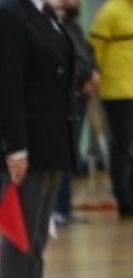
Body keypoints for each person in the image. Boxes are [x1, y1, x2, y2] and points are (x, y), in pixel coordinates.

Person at [0, 0, 73, 278]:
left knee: (36, 236)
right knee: (19, 234)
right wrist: (16, 147)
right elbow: (5, 85)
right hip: (28, 145)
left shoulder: (44, 15)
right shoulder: (7, 13)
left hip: (51, 144)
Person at [54, 0, 99, 223]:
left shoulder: (74, 25)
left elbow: (86, 54)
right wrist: (83, 80)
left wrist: (94, 73)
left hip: (80, 97)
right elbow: (67, 60)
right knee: (63, 155)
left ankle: (65, 206)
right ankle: (58, 208)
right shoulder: (56, 25)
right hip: (69, 97)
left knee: (71, 156)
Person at [91, 0, 133, 216]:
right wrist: (93, 75)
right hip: (118, 92)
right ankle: (124, 199)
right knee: (122, 146)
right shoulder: (110, 12)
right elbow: (94, 51)